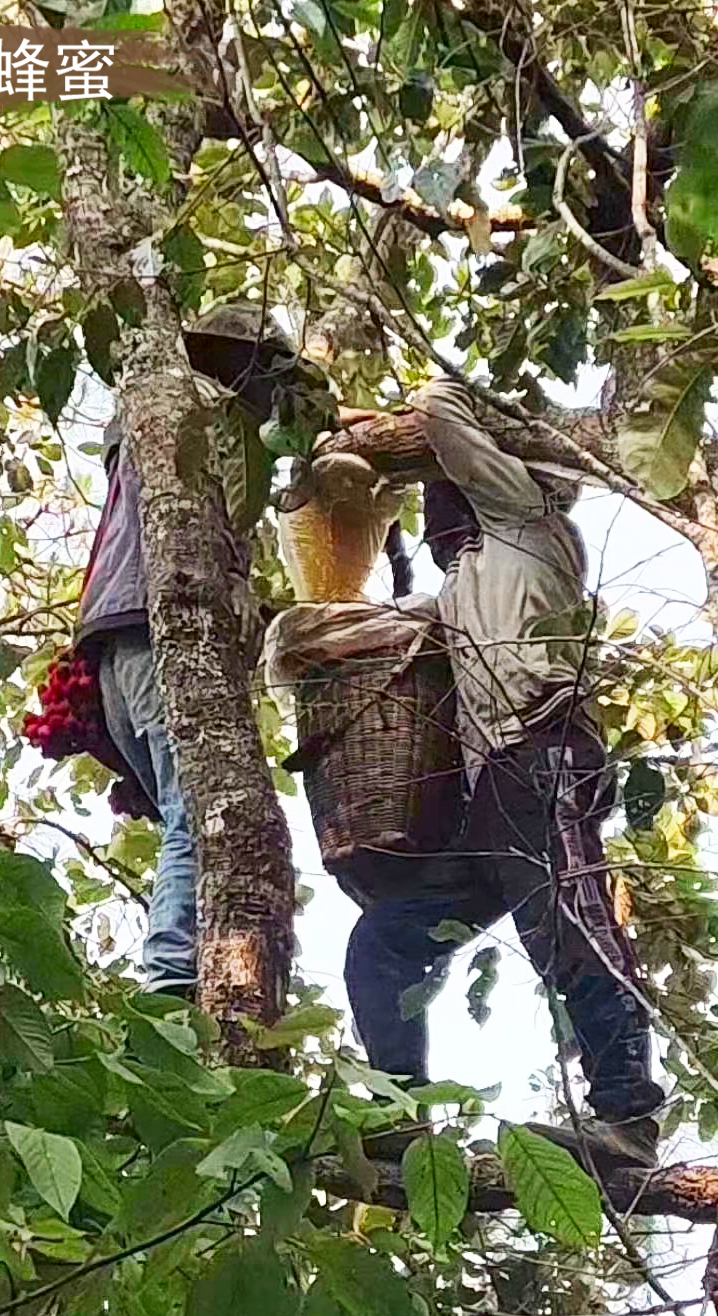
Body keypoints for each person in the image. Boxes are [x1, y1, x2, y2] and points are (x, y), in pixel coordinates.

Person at [345, 378, 664, 1168]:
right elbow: (373, 630)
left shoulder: (528, 527)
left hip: (544, 755)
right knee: (384, 943)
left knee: (570, 924)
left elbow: (445, 415)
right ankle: (400, 1110)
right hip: (494, 796)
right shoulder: (462, 588)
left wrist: (413, 419)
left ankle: (628, 1116)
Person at [73, 304, 322, 996]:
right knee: (199, 814)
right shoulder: (205, 413)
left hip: (116, 642)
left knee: (192, 813)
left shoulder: (146, 422)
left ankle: (181, 971)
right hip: (153, 629)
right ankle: (173, 979)